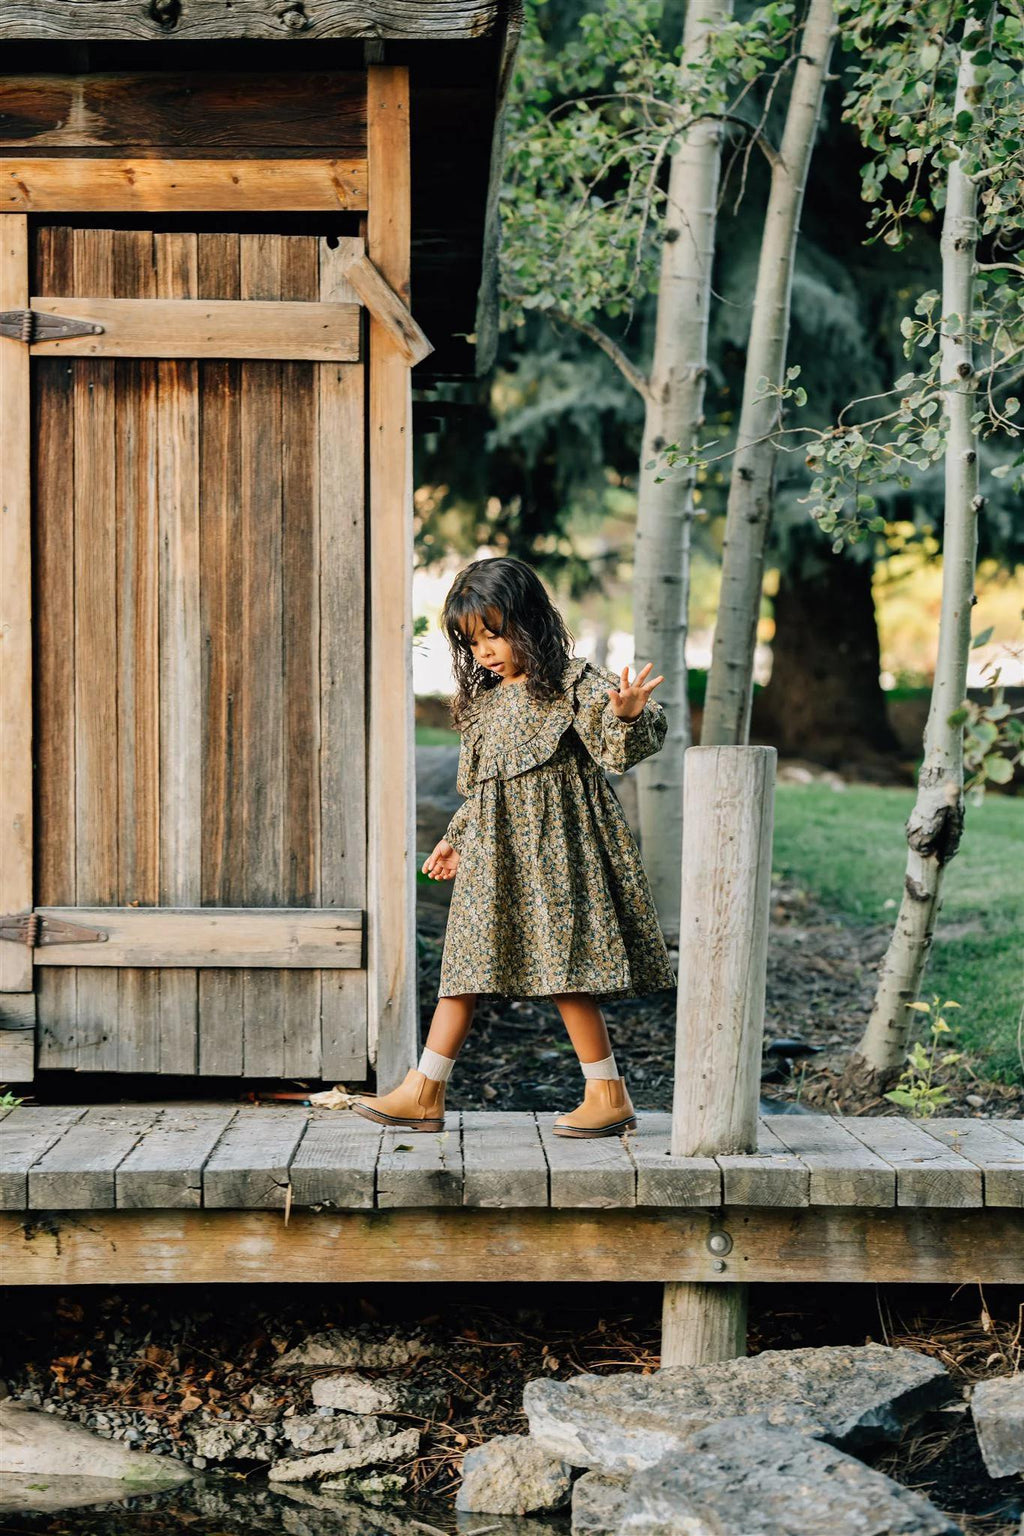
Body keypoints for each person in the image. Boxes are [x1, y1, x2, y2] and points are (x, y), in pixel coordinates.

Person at [350, 556, 676, 1138]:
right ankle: (425, 1090)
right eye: (473, 643)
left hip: (556, 852)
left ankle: (607, 1092)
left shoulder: (573, 684)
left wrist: (626, 716)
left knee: (565, 971)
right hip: (495, 857)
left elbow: (619, 748)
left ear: (530, 622)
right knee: (463, 967)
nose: (486, 651)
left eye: (495, 634)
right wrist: (454, 838)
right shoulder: (483, 706)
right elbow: (484, 789)